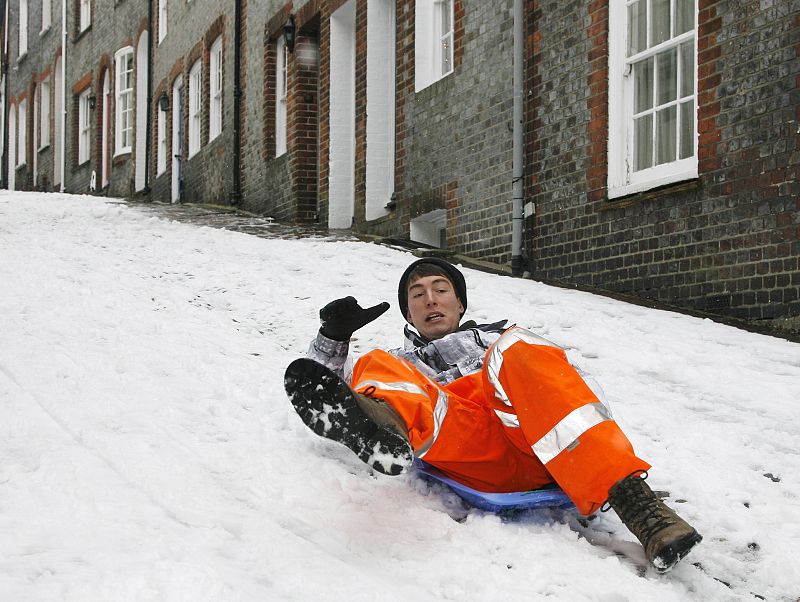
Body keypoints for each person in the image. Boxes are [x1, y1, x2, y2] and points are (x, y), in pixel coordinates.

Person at [285, 257, 702, 572]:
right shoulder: (399, 362)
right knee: (375, 365)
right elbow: (324, 391)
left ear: (460, 302)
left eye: (440, 289)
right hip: (472, 449)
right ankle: (386, 430)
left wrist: (506, 361)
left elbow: (574, 390)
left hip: (548, 443)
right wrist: (333, 336)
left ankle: (643, 511)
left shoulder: (500, 343)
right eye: (416, 294)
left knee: (520, 347)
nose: (429, 299)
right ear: (408, 313)